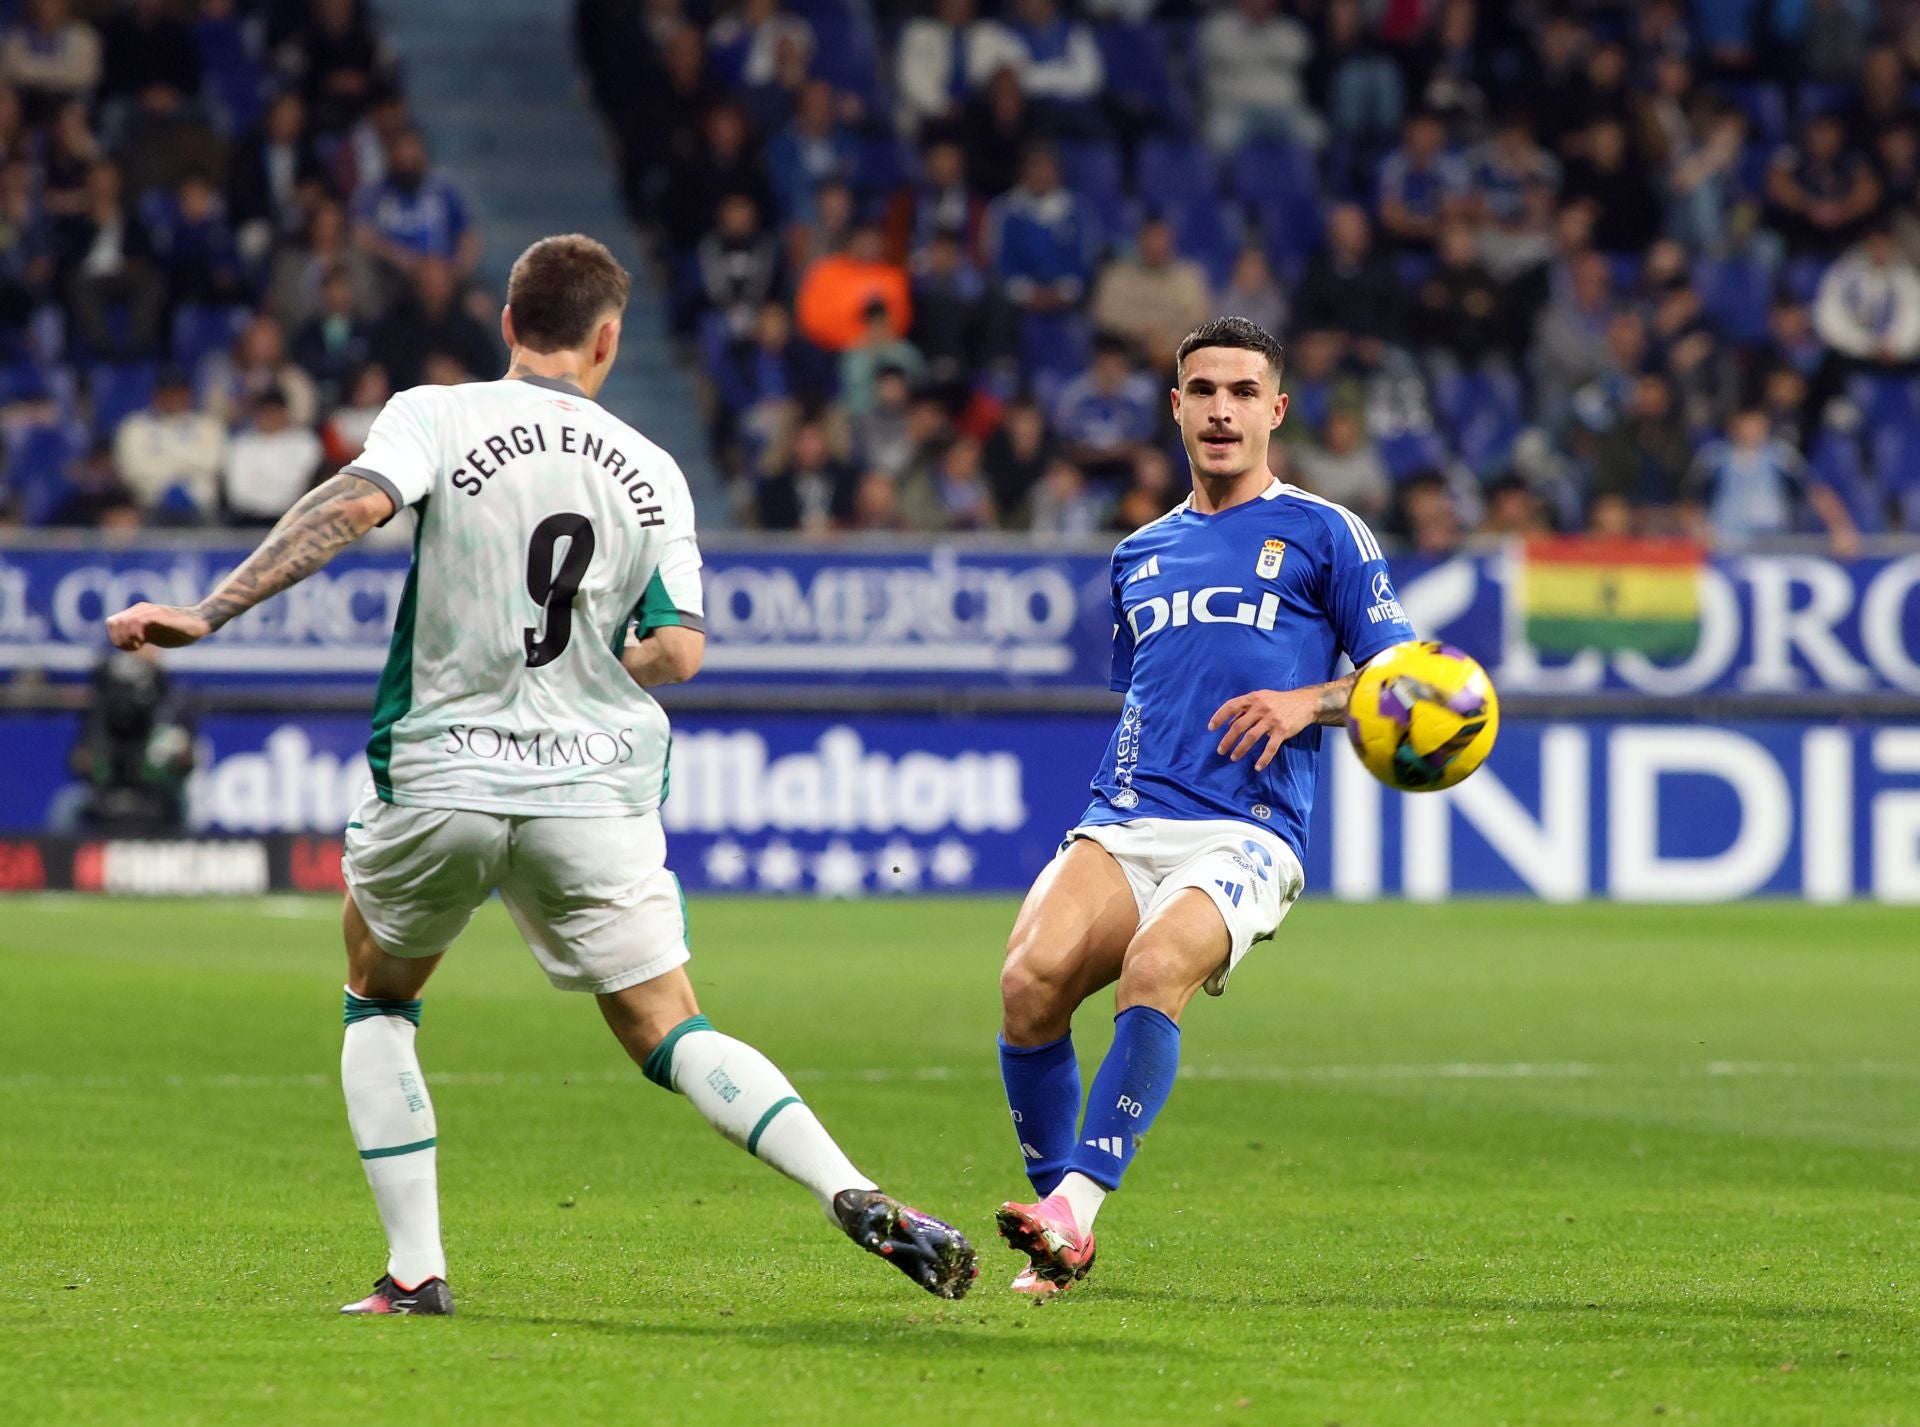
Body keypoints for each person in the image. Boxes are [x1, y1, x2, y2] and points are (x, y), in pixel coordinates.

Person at [103, 233, 977, 1316]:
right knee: (669, 1024)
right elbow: (680, 652)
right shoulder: (653, 467)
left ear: (508, 324)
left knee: (377, 993)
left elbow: (353, 505)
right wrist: (617, 654)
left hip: (444, 776)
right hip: (591, 791)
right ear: (608, 339)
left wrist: (207, 609)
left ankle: (417, 1271)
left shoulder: (435, 413)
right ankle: (851, 1185)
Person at [992, 316, 1415, 1293]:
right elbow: (1144, 690)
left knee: (1154, 966)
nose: (1221, 409)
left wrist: (1309, 699)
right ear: (1176, 407)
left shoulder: (1326, 532)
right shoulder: (1138, 552)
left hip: (1249, 827)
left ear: (1275, 408)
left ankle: (1075, 1208)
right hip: (1126, 814)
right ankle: (1058, 1222)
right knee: (1027, 986)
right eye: (1203, 391)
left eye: (1241, 391)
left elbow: (1406, 685)